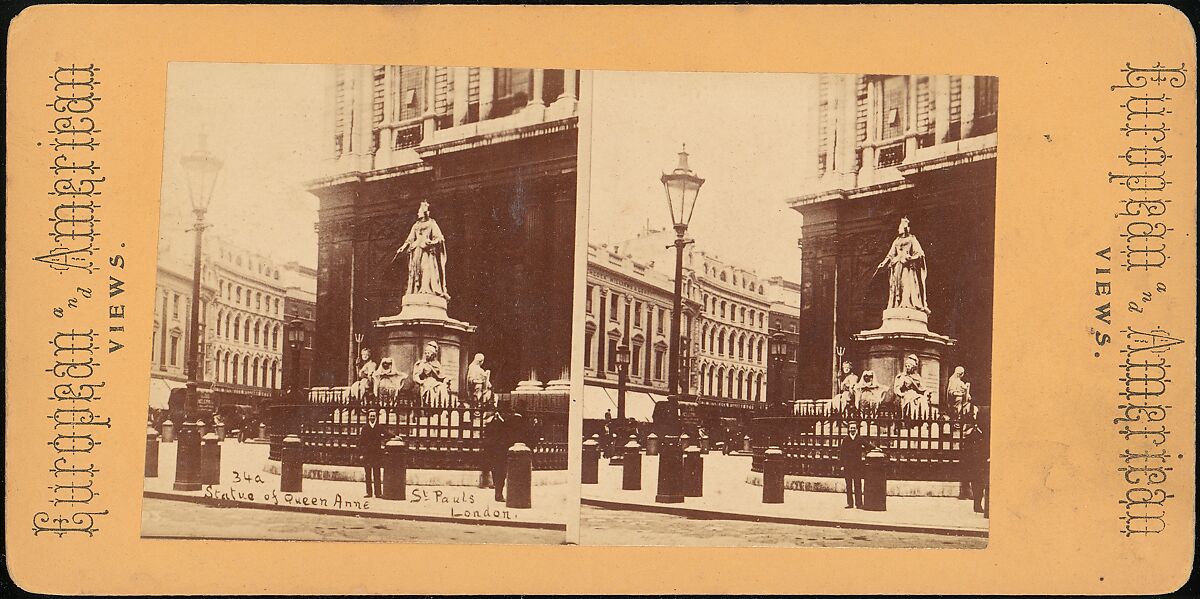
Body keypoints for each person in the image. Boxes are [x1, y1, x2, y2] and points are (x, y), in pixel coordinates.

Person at [394, 200, 449, 298]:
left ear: (424, 212)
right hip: (416, 248)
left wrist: (432, 242)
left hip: (426, 249)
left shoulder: (432, 223)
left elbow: (439, 237)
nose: (417, 213)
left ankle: (426, 288)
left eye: (419, 211)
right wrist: (402, 247)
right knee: (416, 269)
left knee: (426, 267)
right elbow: (410, 239)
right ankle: (416, 289)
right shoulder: (416, 225)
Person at [877, 217, 929, 313]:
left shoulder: (912, 239)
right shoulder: (896, 241)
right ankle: (897, 304)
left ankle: (906, 304)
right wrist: (884, 262)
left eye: (900, 226)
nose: (898, 229)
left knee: (906, 284)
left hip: (907, 266)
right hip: (897, 265)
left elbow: (920, 253)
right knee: (897, 285)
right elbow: (891, 254)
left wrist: (910, 258)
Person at [483, 399, 524, 502]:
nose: (507, 414)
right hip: (495, 452)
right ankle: (498, 493)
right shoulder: (493, 422)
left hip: (504, 451)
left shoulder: (508, 422)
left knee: (502, 473)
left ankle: (499, 492)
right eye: (505, 412)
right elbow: (488, 438)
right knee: (498, 473)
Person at [960, 417, 989, 514]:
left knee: (978, 485)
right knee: (978, 485)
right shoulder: (976, 434)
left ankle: (977, 504)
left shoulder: (974, 434)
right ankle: (977, 504)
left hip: (976, 464)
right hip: (977, 464)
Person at [357, 410, 388, 498]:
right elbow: (361, 442)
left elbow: (386, 433)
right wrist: (361, 454)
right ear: (368, 417)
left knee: (377, 473)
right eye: (371, 416)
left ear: (376, 417)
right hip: (367, 454)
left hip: (376, 454)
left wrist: (395, 436)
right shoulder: (365, 428)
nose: (372, 418)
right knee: (368, 474)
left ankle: (378, 493)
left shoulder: (378, 427)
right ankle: (369, 493)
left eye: (374, 416)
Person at [838, 421, 869, 509]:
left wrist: (875, 448)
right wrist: (842, 465)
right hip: (847, 465)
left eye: (854, 428)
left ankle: (859, 503)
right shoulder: (845, 439)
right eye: (851, 428)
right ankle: (850, 503)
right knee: (849, 485)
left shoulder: (859, 439)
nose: (852, 429)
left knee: (857, 484)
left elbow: (867, 445)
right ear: (848, 429)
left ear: (856, 429)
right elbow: (842, 453)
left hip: (857, 466)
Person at [412, 341, 451, 405]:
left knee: (442, 388)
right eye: (426, 353)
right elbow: (416, 376)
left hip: (435, 382)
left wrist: (446, 380)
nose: (427, 354)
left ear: (433, 355)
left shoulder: (437, 364)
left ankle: (443, 407)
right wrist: (420, 381)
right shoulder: (422, 364)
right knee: (431, 391)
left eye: (428, 353)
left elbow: (442, 375)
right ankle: (431, 408)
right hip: (426, 382)